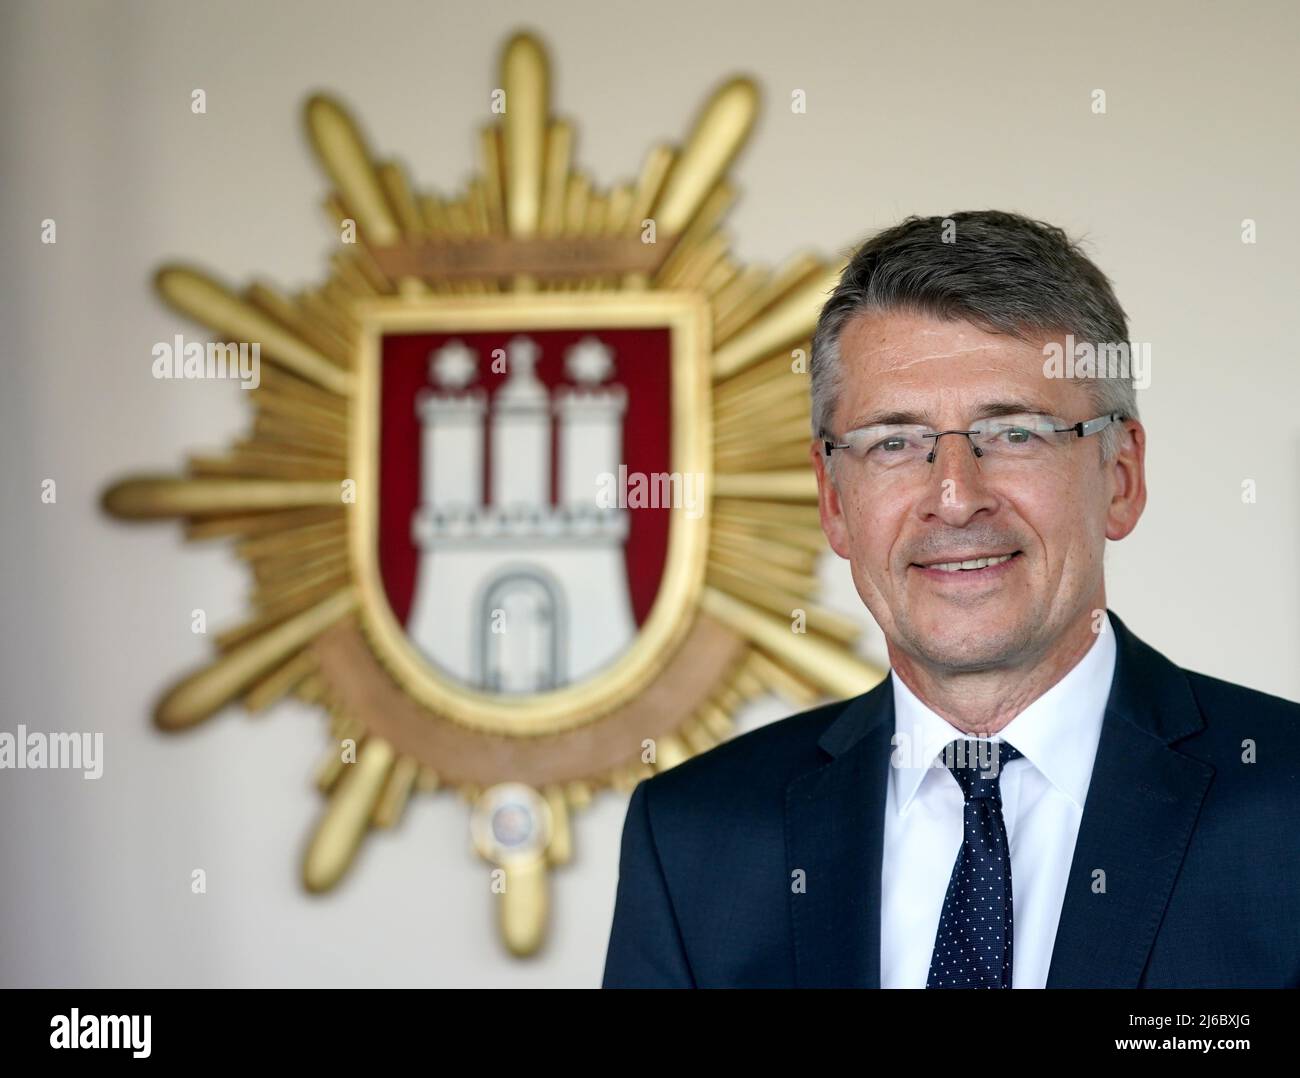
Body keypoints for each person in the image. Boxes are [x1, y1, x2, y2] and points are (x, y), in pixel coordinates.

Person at [601, 210, 1300, 988]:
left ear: (1121, 478)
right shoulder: (695, 841)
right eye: (893, 442)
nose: (956, 497)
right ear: (833, 499)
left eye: (1016, 433)